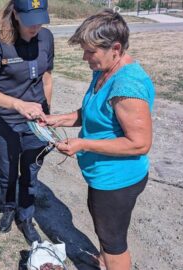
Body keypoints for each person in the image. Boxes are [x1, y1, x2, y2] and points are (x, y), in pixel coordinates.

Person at [43, 9, 155, 270]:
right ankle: (104, 261)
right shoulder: (105, 70)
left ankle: (112, 262)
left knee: (114, 242)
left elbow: (139, 143)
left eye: (90, 51)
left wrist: (83, 144)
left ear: (115, 48)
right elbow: (95, 114)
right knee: (106, 236)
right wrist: (58, 119)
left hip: (117, 180)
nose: (85, 57)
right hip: (103, 176)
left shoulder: (127, 85)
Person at [0, 0, 54, 244]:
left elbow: (47, 79)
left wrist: (47, 115)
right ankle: (9, 208)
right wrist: (18, 105)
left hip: (35, 122)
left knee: (30, 173)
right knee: (8, 172)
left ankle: (26, 217)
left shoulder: (47, 38)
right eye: (31, 21)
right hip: (6, 121)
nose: (37, 27)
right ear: (16, 15)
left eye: (41, 19)